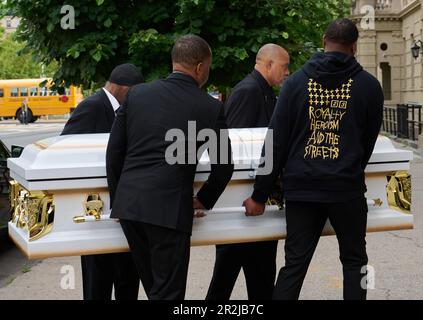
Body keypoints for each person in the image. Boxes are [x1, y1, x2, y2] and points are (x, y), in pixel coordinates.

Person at [243, 18, 384, 300]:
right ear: (354, 47)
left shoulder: (294, 83)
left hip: (302, 188)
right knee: (356, 263)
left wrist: (260, 194)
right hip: (346, 189)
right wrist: (352, 167)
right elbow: (367, 141)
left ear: (323, 40)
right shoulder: (369, 87)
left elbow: (276, 141)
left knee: (294, 264)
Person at [106, 34, 234, 300]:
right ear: (200, 67)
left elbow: (114, 152)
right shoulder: (210, 107)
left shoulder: (137, 94)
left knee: (156, 288)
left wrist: (118, 198)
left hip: (130, 207)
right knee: (168, 294)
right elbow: (223, 166)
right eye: (208, 66)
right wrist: (203, 199)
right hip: (169, 211)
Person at [206, 44, 290, 300]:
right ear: (268, 64)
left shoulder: (262, 92)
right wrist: (256, 195)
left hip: (253, 200)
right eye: (285, 66)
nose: (288, 72)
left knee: (259, 278)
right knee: (226, 278)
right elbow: (236, 147)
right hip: (243, 203)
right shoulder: (249, 92)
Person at [61, 63, 144, 300]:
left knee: (127, 280)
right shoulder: (92, 107)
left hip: (122, 209)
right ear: (123, 89)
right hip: (96, 209)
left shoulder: (120, 109)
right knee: (98, 284)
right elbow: (66, 149)